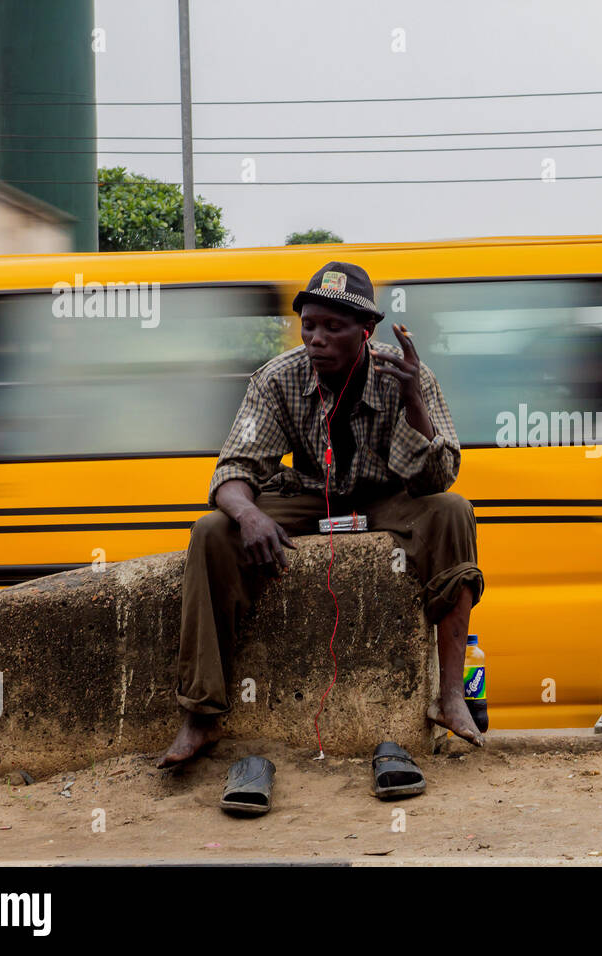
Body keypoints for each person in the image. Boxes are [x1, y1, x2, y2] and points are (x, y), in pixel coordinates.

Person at [157, 261, 485, 768]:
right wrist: (248, 514)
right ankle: (202, 713)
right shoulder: (277, 378)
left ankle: (450, 698)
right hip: (313, 494)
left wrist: (414, 402)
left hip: (387, 497)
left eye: (334, 327)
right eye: (310, 325)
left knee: (454, 513)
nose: (317, 338)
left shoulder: (405, 375)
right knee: (212, 530)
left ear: (365, 332)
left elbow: (438, 479)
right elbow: (234, 468)